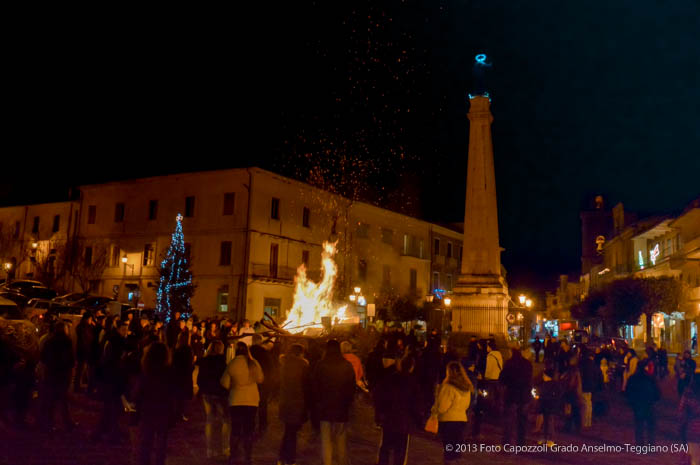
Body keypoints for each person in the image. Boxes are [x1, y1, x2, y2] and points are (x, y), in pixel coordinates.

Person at [313, 339, 356, 465]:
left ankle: (328, 462)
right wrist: (348, 404)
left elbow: (315, 387)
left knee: (326, 441)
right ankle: (342, 462)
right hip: (341, 409)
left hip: (324, 409)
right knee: (341, 440)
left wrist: (317, 404)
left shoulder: (320, 365)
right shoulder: (347, 365)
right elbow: (351, 388)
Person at [221, 342, 264, 465]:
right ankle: (248, 456)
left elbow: (224, 382)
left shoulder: (233, 363)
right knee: (248, 430)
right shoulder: (254, 363)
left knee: (235, 429)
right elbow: (261, 379)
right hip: (252, 401)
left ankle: (233, 455)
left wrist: (233, 385)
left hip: (236, 400)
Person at [374, 355, 422, 465]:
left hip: (389, 418)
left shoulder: (390, 379)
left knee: (385, 447)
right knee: (400, 450)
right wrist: (418, 421)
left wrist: (379, 414)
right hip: (404, 422)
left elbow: (379, 397)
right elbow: (416, 405)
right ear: (412, 367)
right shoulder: (413, 383)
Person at [135, 342, 176, 465]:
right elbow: (172, 393)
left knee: (146, 440)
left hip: (148, 410)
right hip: (163, 410)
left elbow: (139, 393)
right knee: (161, 441)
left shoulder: (146, 371)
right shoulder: (169, 372)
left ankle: (144, 461)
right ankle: (159, 462)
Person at [432, 361, 473, 462]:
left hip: (448, 421)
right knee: (456, 450)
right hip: (461, 420)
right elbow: (467, 405)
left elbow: (442, 407)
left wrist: (437, 397)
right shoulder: (467, 387)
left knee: (448, 450)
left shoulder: (448, 387)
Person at [39, 322, 76, 431]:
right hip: (63, 375)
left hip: (51, 374)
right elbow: (71, 360)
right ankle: (67, 423)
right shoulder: (67, 342)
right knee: (63, 400)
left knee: (50, 401)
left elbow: (43, 357)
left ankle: (49, 423)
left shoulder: (49, 341)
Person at [277, 344, 311, 465]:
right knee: (292, 432)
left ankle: (282, 457)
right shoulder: (302, 365)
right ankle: (289, 459)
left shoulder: (284, 364)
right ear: (300, 353)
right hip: (297, 402)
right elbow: (306, 385)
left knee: (289, 430)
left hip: (285, 401)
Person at [198, 340, 230, 459]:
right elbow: (225, 379)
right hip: (219, 394)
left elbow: (199, 379)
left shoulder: (204, 361)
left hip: (207, 393)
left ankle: (210, 450)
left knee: (210, 421)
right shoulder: (222, 362)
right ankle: (224, 448)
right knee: (226, 420)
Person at [499, 344, 533, 446]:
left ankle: (507, 442)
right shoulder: (527, 364)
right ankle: (521, 442)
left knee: (509, 420)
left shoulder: (509, 363)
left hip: (512, 395)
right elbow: (529, 379)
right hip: (524, 395)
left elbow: (502, 379)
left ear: (511, 352)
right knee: (522, 420)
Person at [625, 360, 660, 445]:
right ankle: (651, 444)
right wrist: (655, 399)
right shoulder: (650, 378)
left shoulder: (633, 378)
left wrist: (631, 402)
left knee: (639, 425)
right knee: (650, 426)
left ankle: (639, 444)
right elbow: (657, 391)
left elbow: (628, 391)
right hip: (649, 404)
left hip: (638, 404)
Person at [249, 334, 274, 434]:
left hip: (250, 382)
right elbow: (270, 368)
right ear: (260, 341)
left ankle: (250, 424)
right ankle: (262, 425)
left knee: (251, 404)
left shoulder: (248, 352)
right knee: (262, 404)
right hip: (263, 382)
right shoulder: (264, 353)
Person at [536, 368, 561, 446]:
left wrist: (541, 397)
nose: (543, 376)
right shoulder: (544, 383)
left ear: (547, 376)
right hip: (544, 405)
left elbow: (555, 395)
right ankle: (545, 438)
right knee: (545, 422)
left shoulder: (553, 384)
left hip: (550, 406)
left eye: (544, 375)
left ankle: (551, 439)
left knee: (549, 422)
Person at [173, 331, 194, 422]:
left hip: (177, 375)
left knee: (178, 396)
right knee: (183, 397)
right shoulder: (188, 350)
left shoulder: (176, 349)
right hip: (185, 375)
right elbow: (189, 365)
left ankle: (177, 414)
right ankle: (181, 414)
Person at [679, 374, 700, 462]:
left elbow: (682, 413)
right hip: (693, 429)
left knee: (694, 459)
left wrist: (681, 428)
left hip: (693, 429)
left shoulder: (688, 394)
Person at [580, 349, 603, 428]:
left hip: (585, 387)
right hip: (593, 387)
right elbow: (600, 377)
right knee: (589, 405)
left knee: (585, 405)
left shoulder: (583, 365)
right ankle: (588, 422)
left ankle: (584, 422)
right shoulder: (595, 366)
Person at [561, 356, 583, 434]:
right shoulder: (576, 371)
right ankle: (576, 427)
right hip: (575, 393)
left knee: (570, 411)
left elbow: (571, 382)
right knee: (575, 411)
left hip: (571, 393)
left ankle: (569, 427)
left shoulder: (572, 371)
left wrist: (566, 389)